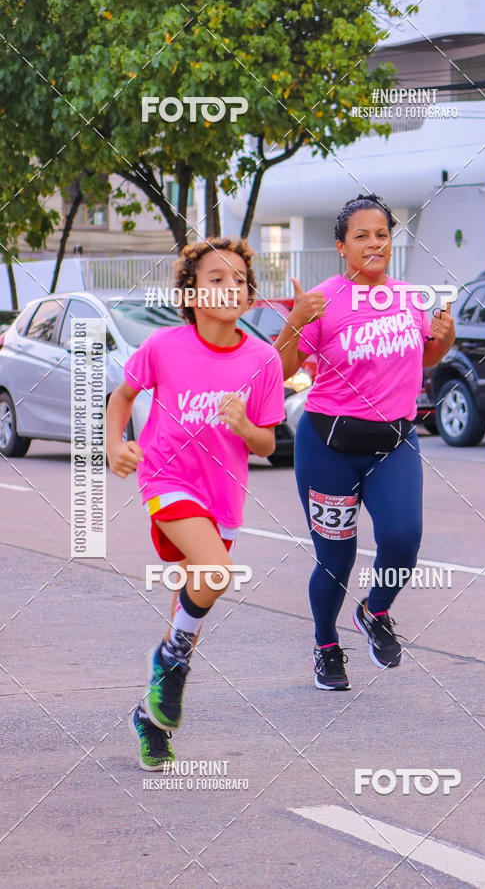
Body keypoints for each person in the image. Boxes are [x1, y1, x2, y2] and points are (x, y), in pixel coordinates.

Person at [106, 238, 285, 769]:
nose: (229, 288)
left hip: (223, 495)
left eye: (238, 281)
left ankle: (152, 715)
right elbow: (122, 397)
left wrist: (246, 426)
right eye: (216, 278)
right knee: (216, 569)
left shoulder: (262, 359)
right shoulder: (164, 347)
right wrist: (116, 444)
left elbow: (269, 444)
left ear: (250, 297)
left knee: (202, 583)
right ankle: (171, 662)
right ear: (189, 291)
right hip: (167, 478)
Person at [274, 194, 455, 690]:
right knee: (337, 557)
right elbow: (281, 370)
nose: (375, 244)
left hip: (393, 440)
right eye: (362, 236)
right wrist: (294, 322)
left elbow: (426, 360)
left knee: (402, 538)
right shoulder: (323, 299)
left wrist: (445, 338)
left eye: (382, 234)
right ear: (340, 246)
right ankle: (325, 646)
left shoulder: (409, 297)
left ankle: (375, 612)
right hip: (329, 445)